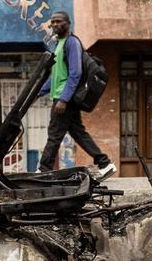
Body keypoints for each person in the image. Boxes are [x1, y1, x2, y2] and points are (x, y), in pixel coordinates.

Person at [37, 11, 114, 181]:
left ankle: (43, 171)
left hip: (65, 98)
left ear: (67, 23)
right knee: (78, 133)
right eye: (53, 22)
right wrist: (39, 92)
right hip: (62, 97)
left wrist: (63, 99)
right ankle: (104, 163)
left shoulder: (71, 42)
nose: (55, 25)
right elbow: (57, 76)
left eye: (59, 21)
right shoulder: (59, 44)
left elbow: (75, 74)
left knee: (54, 134)